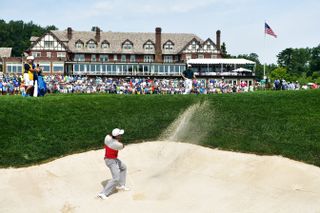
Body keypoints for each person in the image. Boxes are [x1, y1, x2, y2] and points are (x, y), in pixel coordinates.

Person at [98, 128, 130, 200]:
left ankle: (121, 185)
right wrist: (118, 140)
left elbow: (109, 135)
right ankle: (103, 193)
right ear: (116, 136)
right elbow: (122, 146)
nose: (121, 135)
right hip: (110, 161)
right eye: (120, 135)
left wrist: (114, 136)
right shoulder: (116, 144)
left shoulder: (107, 138)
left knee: (123, 167)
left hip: (114, 159)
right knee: (116, 178)